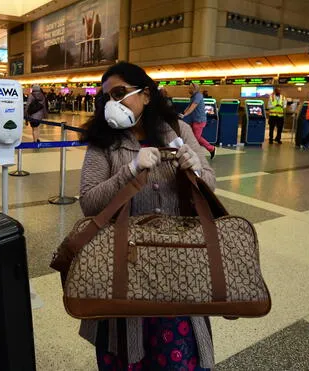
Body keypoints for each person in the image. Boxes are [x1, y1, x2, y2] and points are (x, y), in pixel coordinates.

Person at [79, 62, 216, 371]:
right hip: (124, 274)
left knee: (177, 357)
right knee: (126, 355)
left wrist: (196, 169)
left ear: (147, 95)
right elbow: (89, 202)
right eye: (106, 98)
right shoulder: (105, 142)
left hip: (178, 274)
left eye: (119, 93)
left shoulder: (177, 130)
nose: (112, 104)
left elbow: (209, 183)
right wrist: (129, 170)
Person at [181, 83, 215, 159]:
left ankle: (193, 156)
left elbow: (192, 107)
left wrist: (185, 115)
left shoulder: (198, 96)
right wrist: (183, 113)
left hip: (199, 121)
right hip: (195, 120)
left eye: (190, 88)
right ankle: (211, 148)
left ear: (195, 89)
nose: (188, 90)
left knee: (194, 139)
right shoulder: (193, 96)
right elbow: (189, 106)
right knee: (197, 138)